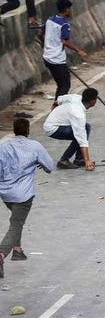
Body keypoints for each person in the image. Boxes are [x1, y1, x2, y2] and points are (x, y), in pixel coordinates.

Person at [0, 118, 54, 275]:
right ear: (28, 130)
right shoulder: (35, 146)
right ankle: (2, 253)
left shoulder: (3, 146)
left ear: (14, 130)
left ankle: (17, 250)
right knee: (16, 224)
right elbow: (49, 167)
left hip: (5, 192)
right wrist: (38, 163)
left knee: (16, 220)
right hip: (23, 195)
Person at [41, 0, 86, 101]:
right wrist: (78, 51)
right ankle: (56, 107)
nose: (70, 11)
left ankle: (56, 104)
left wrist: (46, 44)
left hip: (47, 57)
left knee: (60, 84)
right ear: (66, 10)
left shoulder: (50, 19)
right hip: (57, 59)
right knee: (65, 85)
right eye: (69, 9)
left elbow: (40, 33)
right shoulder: (64, 24)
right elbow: (64, 41)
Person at [43, 88, 98, 171]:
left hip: (53, 123)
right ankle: (64, 160)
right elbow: (81, 138)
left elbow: (60, 98)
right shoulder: (78, 114)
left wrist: (54, 106)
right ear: (93, 102)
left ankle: (79, 159)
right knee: (82, 132)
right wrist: (88, 161)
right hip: (52, 129)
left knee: (86, 127)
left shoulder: (75, 97)